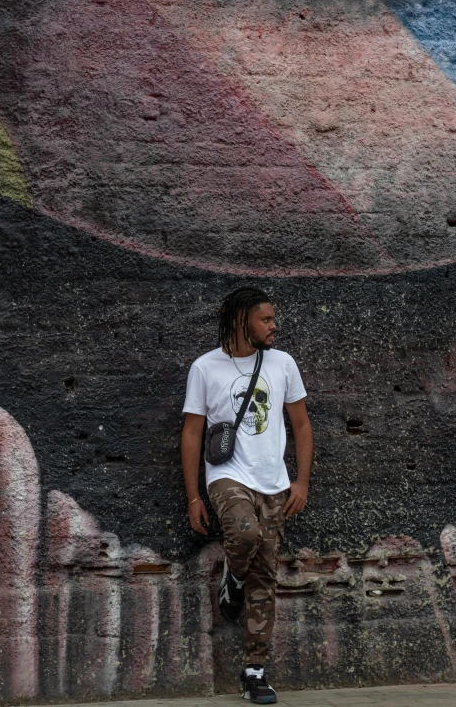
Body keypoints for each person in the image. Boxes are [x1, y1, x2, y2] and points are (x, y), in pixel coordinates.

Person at [181, 286, 313, 705]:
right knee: (243, 533)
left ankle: (254, 672)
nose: (275, 326)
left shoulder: (283, 364)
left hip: (273, 481)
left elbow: (302, 426)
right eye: (266, 320)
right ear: (242, 322)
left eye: (273, 319)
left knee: (265, 579)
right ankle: (232, 578)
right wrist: (193, 498)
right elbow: (191, 432)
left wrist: (302, 482)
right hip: (227, 476)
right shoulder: (205, 367)